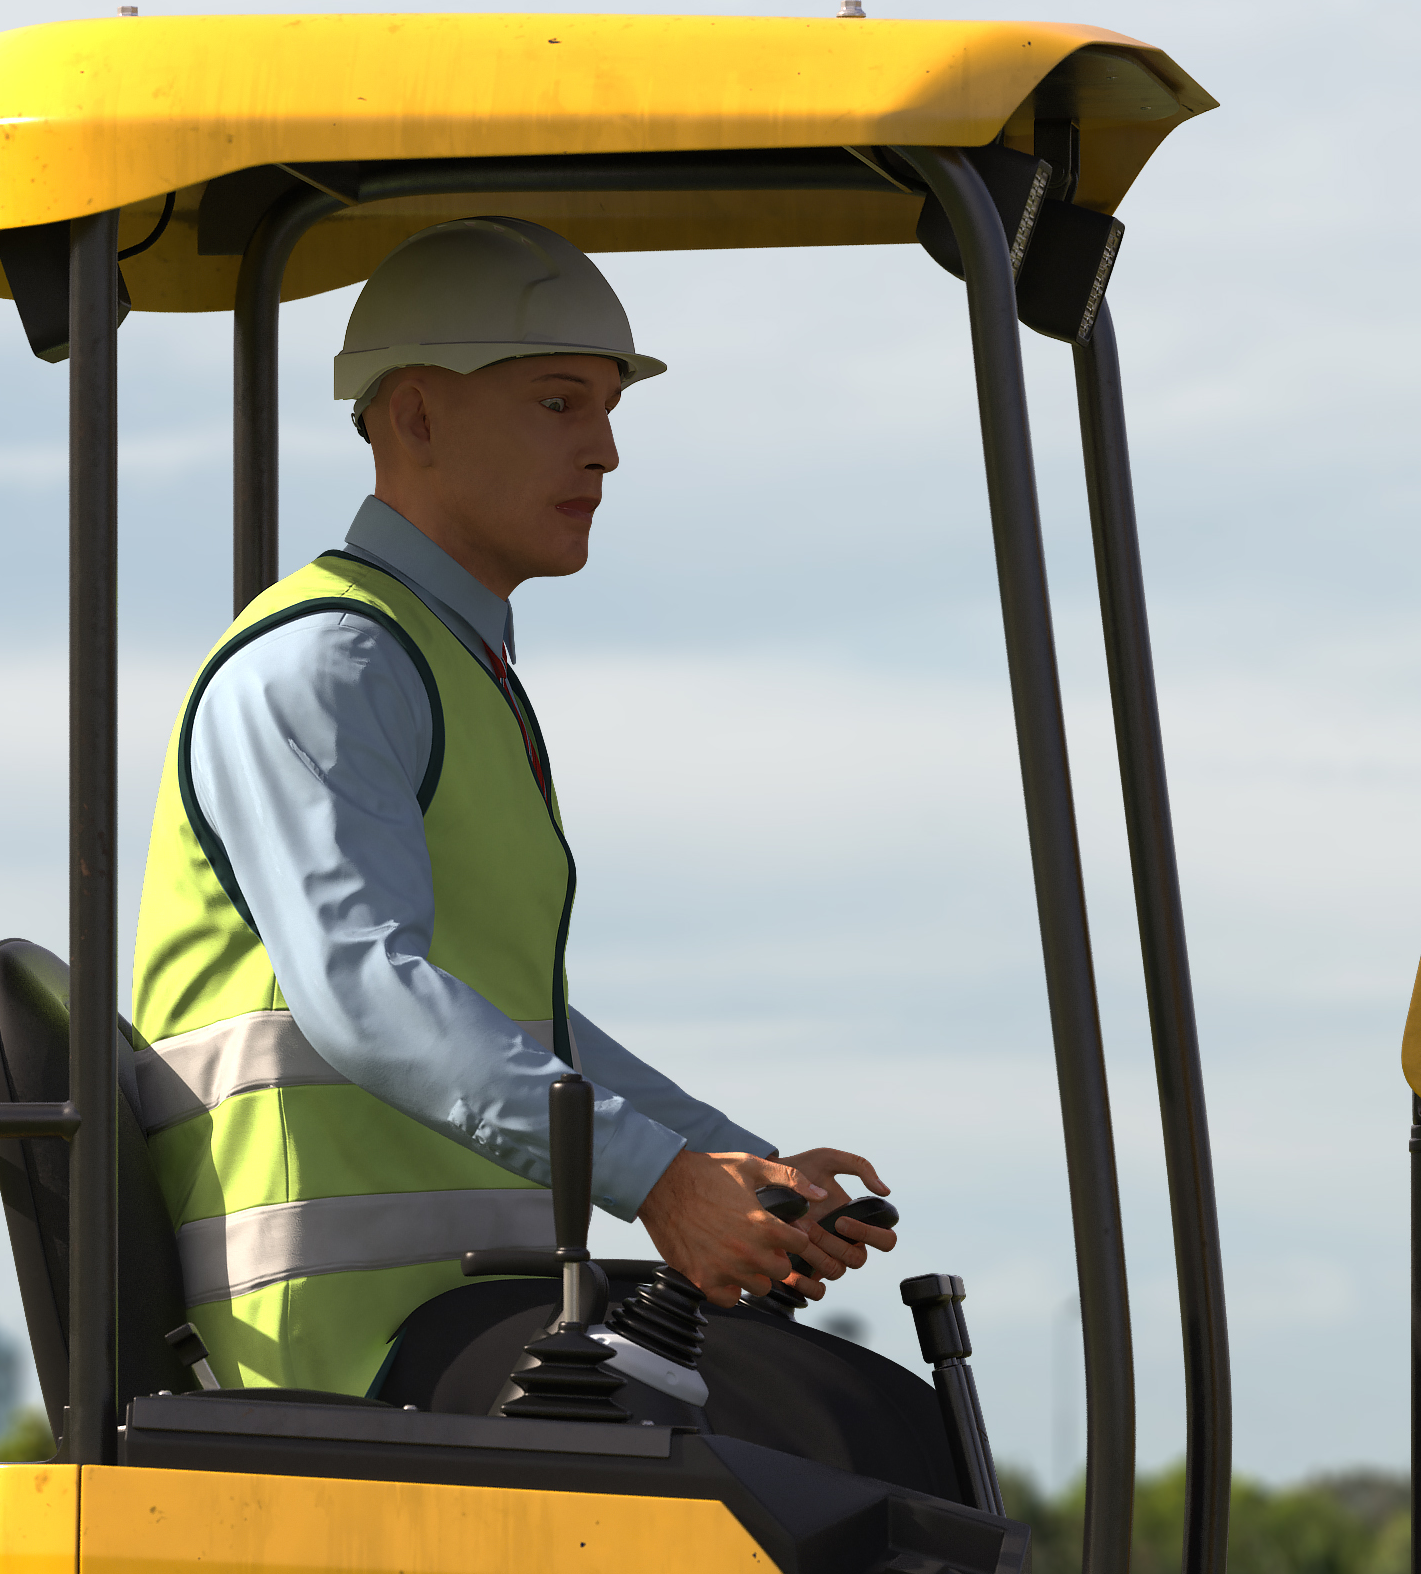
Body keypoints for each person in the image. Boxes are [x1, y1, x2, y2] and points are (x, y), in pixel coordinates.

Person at [130, 214, 886, 1397]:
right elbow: (368, 995)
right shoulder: (331, 664)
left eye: (609, 409)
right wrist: (661, 1185)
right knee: (838, 1447)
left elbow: (525, 1024)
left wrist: (726, 1167)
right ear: (419, 414)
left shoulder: (443, 667)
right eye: (558, 404)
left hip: (456, 1320)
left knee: (853, 1426)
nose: (606, 453)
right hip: (336, 1357)